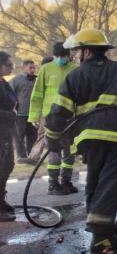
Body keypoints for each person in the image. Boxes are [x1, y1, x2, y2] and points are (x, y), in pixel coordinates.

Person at [45, 29, 117, 251]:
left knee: (95, 182)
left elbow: (59, 113)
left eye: (78, 51)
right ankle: (101, 236)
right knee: (110, 182)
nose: (77, 56)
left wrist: (52, 139)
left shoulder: (74, 77)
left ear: (87, 51)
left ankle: (100, 228)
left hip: (89, 138)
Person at [29, 43, 78, 195]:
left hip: (70, 117)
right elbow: (37, 94)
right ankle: (53, 183)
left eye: (64, 56)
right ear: (54, 55)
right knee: (53, 151)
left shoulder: (75, 69)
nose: (61, 59)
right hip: (49, 117)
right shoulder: (46, 69)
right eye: (58, 56)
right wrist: (34, 116)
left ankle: (66, 181)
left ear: (68, 55)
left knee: (70, 151)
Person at [0, 52, 18, 222]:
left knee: (7, 165)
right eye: (8, 64)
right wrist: (9, 115)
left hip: (5, 132)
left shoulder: (4, 83)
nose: (11, 67)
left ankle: (1, 200)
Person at [10, 60, 37, 163]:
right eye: (31, 67)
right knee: (19, 136)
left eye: (34, 68)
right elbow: (10, 96)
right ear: (24, 68)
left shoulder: (36, 80)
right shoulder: (15, 80)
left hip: (33, 114)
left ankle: (31, 156)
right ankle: (21, 157)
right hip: (20, 114)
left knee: (32, 136)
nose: (33, 70)